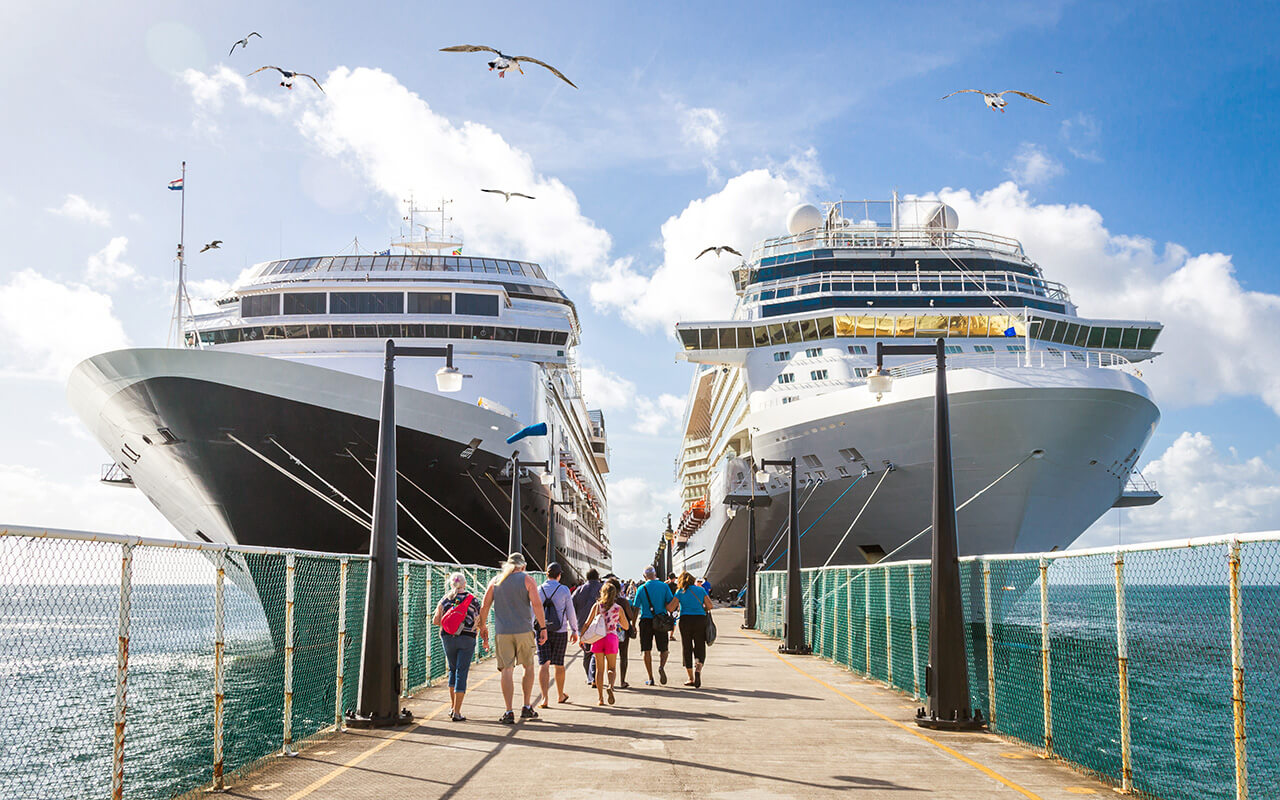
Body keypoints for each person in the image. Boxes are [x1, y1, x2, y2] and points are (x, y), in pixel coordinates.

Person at [478, 553, 548, 724]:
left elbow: (485, 605)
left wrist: (483, 626)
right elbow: (537, 604)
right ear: (522, 566)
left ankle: (509, 711)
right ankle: (526, 706)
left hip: (503, 632)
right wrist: (543, 627)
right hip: (524, 630)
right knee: (528, 666)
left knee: (506, 670)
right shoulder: (527, 580)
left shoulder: (496, 581)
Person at [431, 571, 485, 721]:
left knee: (453, 670)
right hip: (467, 639)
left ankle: (452, 707)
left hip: (448, 638)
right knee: (462, 671)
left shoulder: (445, 599)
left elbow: (436, 621)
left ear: (451, 584)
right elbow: (479, 620)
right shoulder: (473, 600)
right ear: (465, 584)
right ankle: (457, 711)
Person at [580, 580, 631, 705]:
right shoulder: (618, 608)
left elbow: (587, 623)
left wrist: (582, 637)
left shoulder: (597, 606)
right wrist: (617, 621)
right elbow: (626, 626)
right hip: (611, 638)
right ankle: (611, 686)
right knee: (612, 668)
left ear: (602, 593)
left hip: (598, 638)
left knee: (599, 669)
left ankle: (600, 698)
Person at [536, 562, 578, 708]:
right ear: (559, 575)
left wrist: (530, 629)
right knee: (559, 664)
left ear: (546, 574)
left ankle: (544, 698)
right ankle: (560, 695)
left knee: (544, 663)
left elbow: (532, 610)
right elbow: (570, 611)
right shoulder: (564, 590)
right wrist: (574, 630)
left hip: (542, 630)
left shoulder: (539, 589)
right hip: (560, 631)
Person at [633, 566, 678, 685]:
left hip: (646, 621)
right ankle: (661, 666)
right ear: (655, 574)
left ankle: (650, 678)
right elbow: (670, 602)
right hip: (661, 620)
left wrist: (633, 624)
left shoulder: (641, 588)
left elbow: (636, 608)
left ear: (644, 576)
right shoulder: (664, 586)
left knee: (646, 650)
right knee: (664, 649)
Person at [674, 571, 713, 687]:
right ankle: (698, 669)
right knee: (700, 645)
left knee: (687, 647)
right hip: (700, 619)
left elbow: (671, 608)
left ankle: (690, 678)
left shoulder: (680, 592)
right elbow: (710, 605)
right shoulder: (700, 590)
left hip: (685, 620)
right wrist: (702, 610)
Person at [571, 568, 604, 685]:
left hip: (583, 626)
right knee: (597, 652)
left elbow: (571, 606)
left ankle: (590, 677)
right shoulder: (602, 588)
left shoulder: (579, 590)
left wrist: (574, 624)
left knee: (587, 653)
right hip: (599, 627)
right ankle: (594, 676)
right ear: (597, 576)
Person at [605, 575, 637, 688]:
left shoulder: (603, 602)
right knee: (623, 656)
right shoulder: (623, 602)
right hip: (622, 632)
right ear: (619, 589)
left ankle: (610, 683)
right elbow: (631, 616)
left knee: (609, 658)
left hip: (607, 633)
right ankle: (622, 681)